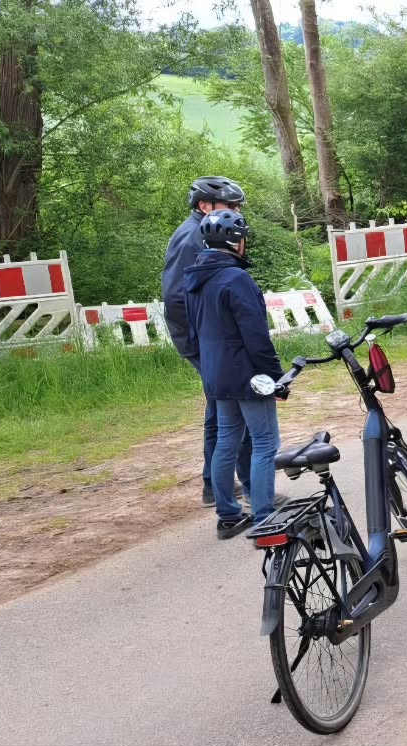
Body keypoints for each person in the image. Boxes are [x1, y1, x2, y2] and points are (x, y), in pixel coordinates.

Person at [181, 210, 282, 539]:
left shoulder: (194, 278)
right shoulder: (237, 279)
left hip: (216, 373)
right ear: (234, 242)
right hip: (247, 375)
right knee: (266, 442)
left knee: (226, 441)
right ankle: (265, 516)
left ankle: (228, 516)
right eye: (242, 238)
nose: (244, 243)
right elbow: (256, 336)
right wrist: (274, 376)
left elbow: (193, 331)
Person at [163, 176, 251, 508]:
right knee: (233, 404)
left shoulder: (204, 230)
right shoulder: (192, 237)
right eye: (231, 206)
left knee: (223, 406)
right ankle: (236, 486)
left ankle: (218, 485)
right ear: (205, 206)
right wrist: (205, 340)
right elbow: (176, 296)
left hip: (211, 338)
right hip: (206, 340)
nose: (236, 212)